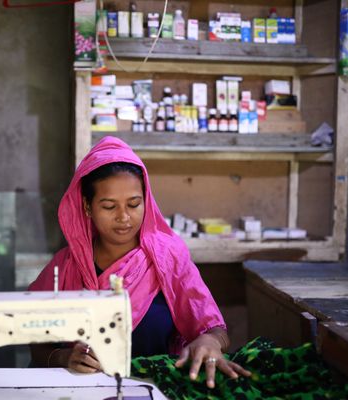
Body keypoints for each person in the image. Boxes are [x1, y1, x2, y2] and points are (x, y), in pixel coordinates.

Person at [28, 136, 250, 388]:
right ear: (87, 207)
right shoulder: (66, 266)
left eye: (134, 204)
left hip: (156, 388)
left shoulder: (168, 258)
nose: (124, 217)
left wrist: (210, 342)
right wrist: (62, 356)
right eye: (109, 206)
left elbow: (215, 330)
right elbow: (36, 340)